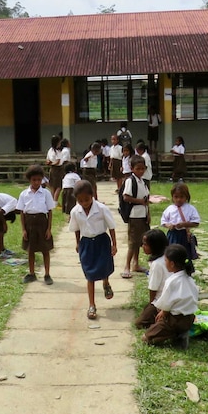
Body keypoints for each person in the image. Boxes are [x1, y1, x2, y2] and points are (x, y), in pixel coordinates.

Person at [69, 180, 117, 320]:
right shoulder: (75, 211)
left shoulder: (102, 209)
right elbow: (76, 228)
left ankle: (106, 282)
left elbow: (111, 226)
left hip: (102, 241)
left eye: (87, 199)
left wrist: (114, 244)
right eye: (80, 200)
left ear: (93, 195)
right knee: (89, 274)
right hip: (87, 243)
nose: (84, 203)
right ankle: (92, 304)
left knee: (104, 267)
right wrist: (77, 243)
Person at [141, 244, 199, 350]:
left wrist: (164, 311)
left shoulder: (171, 281)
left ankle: (174, 334)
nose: (165, 263)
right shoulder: (190, 279)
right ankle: (181, 333)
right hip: (189, 318)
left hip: (174, 320)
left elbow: (166, 302)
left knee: (146, 338)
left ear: (172, 264)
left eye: (166, 261)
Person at [18, 164, 56, 285]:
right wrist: (23, 229)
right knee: (31, 250)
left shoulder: (46, 193)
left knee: (45, 250)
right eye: (34, 180)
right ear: (29, 180)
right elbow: (22, 213)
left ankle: (47, 274)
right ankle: (31, 273)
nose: (36, 182)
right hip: (29, 223)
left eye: (39, 180)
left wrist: (49, 229)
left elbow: (50, 212)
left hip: (42, 222)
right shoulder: (24, 194)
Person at [122, 154, 150, 279]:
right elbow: (126, 197)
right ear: (132, 168)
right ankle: (127, 266)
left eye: (143, 168)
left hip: (143, 215)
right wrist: (140, 202)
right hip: (134, 215)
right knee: (133, 242)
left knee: (140, 241)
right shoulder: (130, 181)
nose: (140, 171)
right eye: (138, 168)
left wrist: (148, 213)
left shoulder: (143, 182)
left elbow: (147, 200)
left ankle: (136, 264)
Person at [134, 229, 169, 329]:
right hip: (169, 298)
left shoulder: (157, 264)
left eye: (145, 244)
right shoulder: (167, 257)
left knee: (139, 323)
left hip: (163, 300)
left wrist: (152, 306)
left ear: (154, 246)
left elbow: (153, 288)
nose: (142, 246)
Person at [161, 182, 201, 259]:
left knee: (185, 254)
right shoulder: (170, 209)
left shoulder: (190, 209)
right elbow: (163, 221)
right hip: (172, 235)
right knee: (171, 253)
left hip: (184, 235)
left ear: (186, 197)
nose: (178, 199)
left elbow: (196, 222)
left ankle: (186, 268)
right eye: (176, 197)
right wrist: (168, 225)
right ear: (172, 197)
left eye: (181, 197)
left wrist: (184, 224)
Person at [46, 134, 67, 202]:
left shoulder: (50, 150)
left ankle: (52, 201)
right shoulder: (57, 151)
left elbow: (47, 160)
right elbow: (58, 162)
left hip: (52, 169)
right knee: (59, 186)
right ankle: (55, 201)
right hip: (58, 169)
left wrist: (50, 163)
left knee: (52, 186)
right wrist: (52, 163)